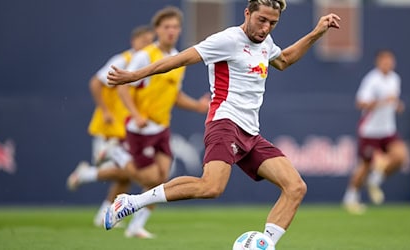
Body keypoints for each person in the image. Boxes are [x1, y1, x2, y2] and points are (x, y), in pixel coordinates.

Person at [105, 0, 340, 246]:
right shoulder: (227, 40)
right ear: (247, 13)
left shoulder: (266, 43)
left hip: (250, 132)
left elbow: (284, 60)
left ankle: (265, 244)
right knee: (211, 187)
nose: (266, 28)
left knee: (295, 187)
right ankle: (132, 202)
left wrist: (316, 33)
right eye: (261, 20)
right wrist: (134, 75)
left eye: (273, 23)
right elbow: (180, 59)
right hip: (224, 123)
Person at [69, 6, 210, 238]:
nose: (172, 31)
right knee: (148, 178)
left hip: (162, 127)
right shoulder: (144, 55)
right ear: (157, 30)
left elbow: (174, 94)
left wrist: (197, 106)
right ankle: (117, 155)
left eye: (176, 27)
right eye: (167, 27)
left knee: (162, 178)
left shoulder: (177, 57)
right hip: (139, 129)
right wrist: (135, 114)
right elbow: (124, 85)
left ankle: (135, 226)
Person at [66, 25, 154, 228]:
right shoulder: (123, 60)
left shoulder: (147, 62)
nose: (147, 45)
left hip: (129, 127)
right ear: (134, 41)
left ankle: (103, 215)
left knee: (125, 177)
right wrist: (105, 110)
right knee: (127, 171)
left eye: (150, 42)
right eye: (144, 41)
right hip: (112, 126)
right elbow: (96, 83)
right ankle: (85, 174)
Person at [342, 49, 408, 214]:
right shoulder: (372, 80)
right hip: (370, 130)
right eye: (385, 61)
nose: (388, 64)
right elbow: (361, 103)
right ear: (378, 62)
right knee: (364, 166)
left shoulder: (395, 79)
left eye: (390, 60)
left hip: (387, 129)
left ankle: (376, 179)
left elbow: (393, 101)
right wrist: (382, 101)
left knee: (401, 157)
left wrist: (397, 105)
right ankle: (350, 197)